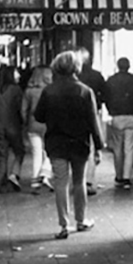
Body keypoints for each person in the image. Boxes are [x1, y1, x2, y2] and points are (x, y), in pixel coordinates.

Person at [34, 50, 103, 239]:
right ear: (76, 67)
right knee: (79, 181)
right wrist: (99, 146)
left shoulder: (49, 91)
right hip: (79, 143)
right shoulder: (85, 91)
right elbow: (93, 121)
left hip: (56, 142)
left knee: (60, 182)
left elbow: (38, 116)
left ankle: (63, 224)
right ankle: (81, 220)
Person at [102, 57, 133, 189]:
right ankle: (126, 177)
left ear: (118, 66)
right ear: (129, 66)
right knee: (129, 148)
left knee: (117, 148)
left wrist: (111, 110)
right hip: (131, 117)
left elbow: (106, 97)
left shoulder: (111, 81)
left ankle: (119, 176)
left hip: (117, 117)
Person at [0, 66, 26, 192]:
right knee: (20, 151)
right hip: (13, 124)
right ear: (11, 76)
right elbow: (21, 108)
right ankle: (14, 174)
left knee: (3, 155)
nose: (19, 76)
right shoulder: (16, 90)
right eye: (16, 73)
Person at [76, 47, 107, 196]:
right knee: (92, 147)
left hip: (76, 116)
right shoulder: (97, 76)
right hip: (94, 112)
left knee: (78, 146)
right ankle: (88, 180)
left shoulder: (74, 76)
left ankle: (79, 179)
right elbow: (105, 93)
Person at [21, 65, 54, 193]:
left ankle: (35, 181)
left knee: (36, 153)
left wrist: (25, 122)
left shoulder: (29, 91)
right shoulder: (51, 90)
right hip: (48, 124)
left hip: (33, 124)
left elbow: (23, 110)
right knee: (51, 151)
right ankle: (45, 173)